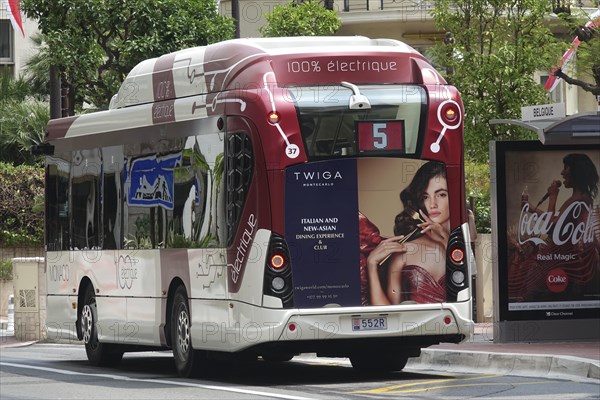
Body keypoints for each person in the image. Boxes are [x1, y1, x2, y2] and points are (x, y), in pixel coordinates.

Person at [365, 161, 450, 305]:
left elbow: (470, 280)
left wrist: (446, 240)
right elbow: (390, 315)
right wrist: (371, 265)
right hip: (414, 327)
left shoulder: (463, 244)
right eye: (425, 197)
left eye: (441, 194)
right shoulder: (405, 251)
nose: (432, 204)